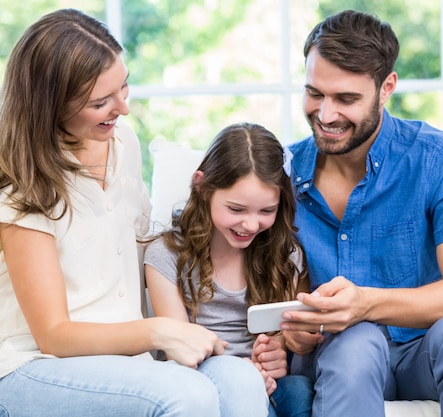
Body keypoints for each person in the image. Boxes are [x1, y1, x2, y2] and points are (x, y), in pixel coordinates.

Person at [0, 9, 267, 417]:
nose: (122, 108)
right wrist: (159, 330)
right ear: (50, 106)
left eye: (123, 87)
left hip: (128, 360)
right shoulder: (23, 185)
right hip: (36, 364)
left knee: (241, 380)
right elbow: (52, 335)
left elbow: (145, 249)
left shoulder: (122, 141)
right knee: (186, 395)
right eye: (100, 102)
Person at [280, 10, 443, 417]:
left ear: (387, 87)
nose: (326, 114)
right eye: (315, 93)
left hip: (426, 354)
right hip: (339, 357)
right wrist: (292, 335)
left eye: (346, 99)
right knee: (355, 343)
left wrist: (365, 303)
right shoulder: (281, 174)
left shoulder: (440, 159)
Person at [144, 122, 313, 417]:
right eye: (236, 210)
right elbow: (177, 348)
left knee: (299, 390)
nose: (250, 225)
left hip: (267, 388)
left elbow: (279, 336)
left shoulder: (285, 255)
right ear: (203, 187)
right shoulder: (166, 255)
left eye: (266, 211)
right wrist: (241, 373)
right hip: (199, 378)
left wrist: (275, 354)